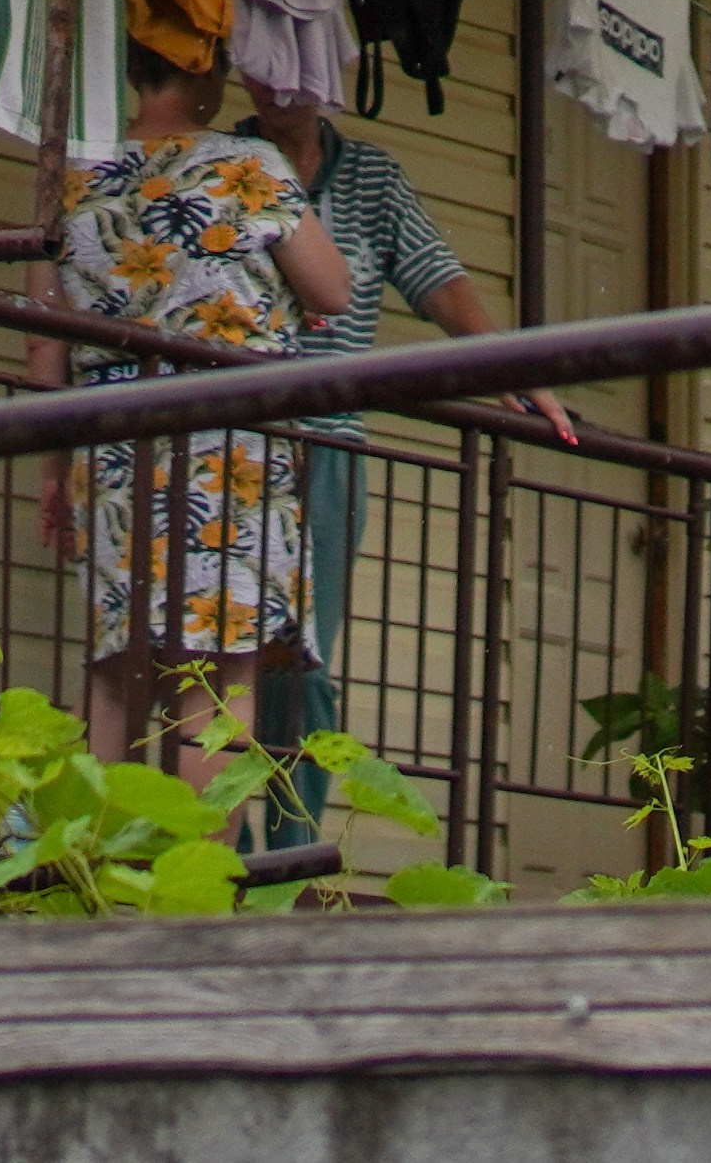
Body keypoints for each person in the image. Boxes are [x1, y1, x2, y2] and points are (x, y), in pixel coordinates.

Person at [242, 76, 574, 841]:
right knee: (216, 653)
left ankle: (286, 858)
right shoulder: (229, 156)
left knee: (303, 660)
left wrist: (507, 369)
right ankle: (224, 853)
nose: (275, 84)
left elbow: (438, 280)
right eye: (262, 58)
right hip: (238, 436)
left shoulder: (371, 178)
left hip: (328, 448)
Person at [35, 40, 350, 771]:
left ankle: (92, 869)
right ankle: (197, 881)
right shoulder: (247, 166)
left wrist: (54, 470)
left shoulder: (73, 176)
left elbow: (44, 346)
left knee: (119, 667)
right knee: (217, 667)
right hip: (229, 439)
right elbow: (333, 290)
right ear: (201, 69)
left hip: (110, 438)